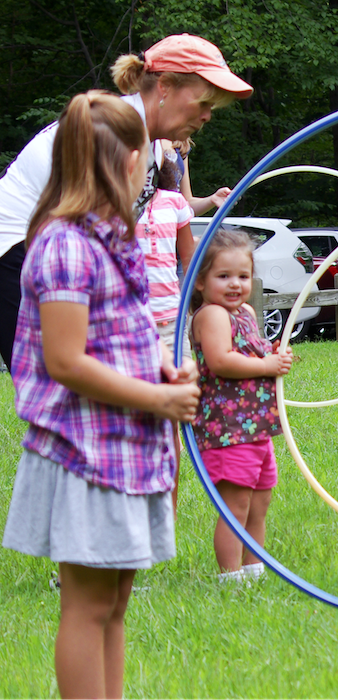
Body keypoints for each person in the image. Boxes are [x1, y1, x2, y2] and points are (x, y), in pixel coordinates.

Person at [1, 91, 201, 699]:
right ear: (124, 163)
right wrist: (156, 403)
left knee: (113, 603)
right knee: (88, 607)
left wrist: (161, 379)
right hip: (81, 453)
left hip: (118, 446)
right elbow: (65, 361)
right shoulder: (64, 245)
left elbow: (120, 340)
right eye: (145, 156)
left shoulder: (110, 238)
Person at [0, 33, 254, 369]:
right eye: (204, 101)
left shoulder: (144, 142)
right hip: (16, 253)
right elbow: (97, 249)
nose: (207, 115)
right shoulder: (111, 136)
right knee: (66, 385)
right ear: (164, 86)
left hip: (45, 255)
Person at [190, 228, 293, 583]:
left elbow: (252, 352)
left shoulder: (246, 310)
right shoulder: (212, 315)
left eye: (243, 276)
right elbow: (221, 360)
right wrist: (266, 366)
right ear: (201, 281)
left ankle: (254, 571)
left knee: (259, 504)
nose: (235, 284)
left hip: (256, 427)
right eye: (223, 276)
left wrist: (273, 354)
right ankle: (230, 579)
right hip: (229, 429)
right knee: (235, 506)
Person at [136, 150, 196, 517]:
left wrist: (198, 307)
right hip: (133, 326)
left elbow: (188, 258)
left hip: (171, 324)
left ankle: (166, 515)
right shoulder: (115, 208)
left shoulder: (173, 202)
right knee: (142, 416)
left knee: (173, 418)